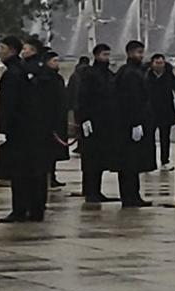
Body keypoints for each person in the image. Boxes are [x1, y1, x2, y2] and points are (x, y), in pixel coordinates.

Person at [0, 37, 50, 222]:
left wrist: (3, 129)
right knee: (32, 171)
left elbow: (8, 104)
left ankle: (19, 210)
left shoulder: (12, 73)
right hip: (32, 129)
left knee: (19, 173)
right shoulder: (25, 70)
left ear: (11, 50)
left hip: (17, 130)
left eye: (2, 48)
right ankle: (35, 209)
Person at [75, 43, 122, 205]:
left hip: (105, 123)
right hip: (93, 122)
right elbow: (83, 97)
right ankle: (90, 191)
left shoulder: (108, 74)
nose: (107, 58)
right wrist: (84, 118)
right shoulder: (90, 74)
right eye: (104, 55)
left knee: (100, 158)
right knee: (91, 159)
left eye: (108, 55)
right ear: (96, 56)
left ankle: (96, 190)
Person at [114, 41, 152, 205]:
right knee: (130, 162)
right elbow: (132, 100)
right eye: (138, 52)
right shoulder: (130, 74)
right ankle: (130, 196)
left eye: (142, 52)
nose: (141, 56)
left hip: (125, 123)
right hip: (129, 124)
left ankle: (131, 195)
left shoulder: (131, 71)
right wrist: (136, 122)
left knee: (130, 163)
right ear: (129, 53)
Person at [145, 55, 175, 169]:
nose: (159, 65)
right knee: (149, 137)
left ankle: (165, 161)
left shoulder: (169, 75)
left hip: (166, 110)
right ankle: (150, 161)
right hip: (151, 111)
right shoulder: (146, 75)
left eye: (161, 63)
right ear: (152, 63)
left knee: (165, 137)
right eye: (157, 63)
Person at [41, 51, 69, 188]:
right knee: (48, 150)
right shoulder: (45, 78)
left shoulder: (58, 78)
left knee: (54, 151)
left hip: (59, 118)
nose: (57, 63)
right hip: (49, 119)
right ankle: (48, 175)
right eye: (54, 61)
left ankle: (53, 174)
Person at [65, 55, 89, 137]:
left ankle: (79, 140)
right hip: (88, 104)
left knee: (78, 124)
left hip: (76, 105)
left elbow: (70, 90)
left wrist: (68, 105)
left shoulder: (74, 75)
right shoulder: (91, 73)